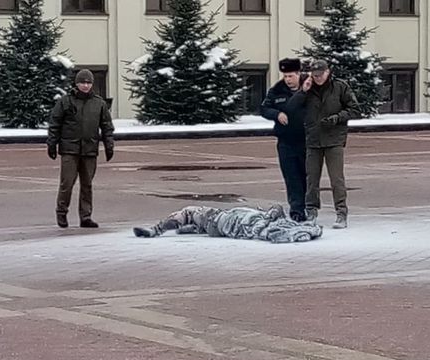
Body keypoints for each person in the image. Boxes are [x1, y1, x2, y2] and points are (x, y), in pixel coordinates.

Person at [291, 59, 361, 229]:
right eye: (314, 75)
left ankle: (341, 213)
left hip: (334, 139)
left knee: (336, 179)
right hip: (312, 140)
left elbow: (355, 109)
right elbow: (291, 108)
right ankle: (311, 212)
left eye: (320, 74)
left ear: (328, 72)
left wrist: (337, 118)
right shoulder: (307, 88)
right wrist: (303, 91)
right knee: (311, 179)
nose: (318, 78)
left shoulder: (340, 87)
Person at [47, 69, 115, 228]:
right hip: (70, 149)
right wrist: (52, 144)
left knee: (87, 185)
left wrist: (109, 145)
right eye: (82, 82)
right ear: (76, 84)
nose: (85, 85)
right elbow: (55, 124)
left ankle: (86, 216)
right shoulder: (65, 101)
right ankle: (61, 212)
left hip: (89, 149)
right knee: (67, 183)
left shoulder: (99, 103)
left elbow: (106, 126)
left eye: (88, 82)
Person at [260, 58, 308, 222]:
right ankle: (297, 210)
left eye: (290, 76)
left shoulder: (309, 86)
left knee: (307, 176)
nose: (287, 80)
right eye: (285, 76)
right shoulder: (277, 89)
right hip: (286, 141)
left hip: (307, 140)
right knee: (292, 177)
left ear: (298, 74)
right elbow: (265, 108)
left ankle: (310, 207)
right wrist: (277, 114)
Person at [132, 204, 323, 243]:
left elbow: (271, 232)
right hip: (222, 222)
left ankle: (155, 230)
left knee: (188, 211)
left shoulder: (262, 227)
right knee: (196, 221)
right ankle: (193, 229)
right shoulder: (270, 222)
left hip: (220, 220)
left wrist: (269, 216)